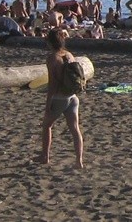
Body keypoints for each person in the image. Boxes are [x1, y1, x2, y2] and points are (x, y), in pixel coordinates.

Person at [38, 29, 84, 168]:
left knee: (47, 125)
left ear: (50, 42)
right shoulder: (69, 55)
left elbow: (52, 84)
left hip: (59, 97)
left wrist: (48, 104)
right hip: (73, 97)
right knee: (75, 129)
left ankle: (45, 156)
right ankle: (79, 161)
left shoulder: (52, 58)